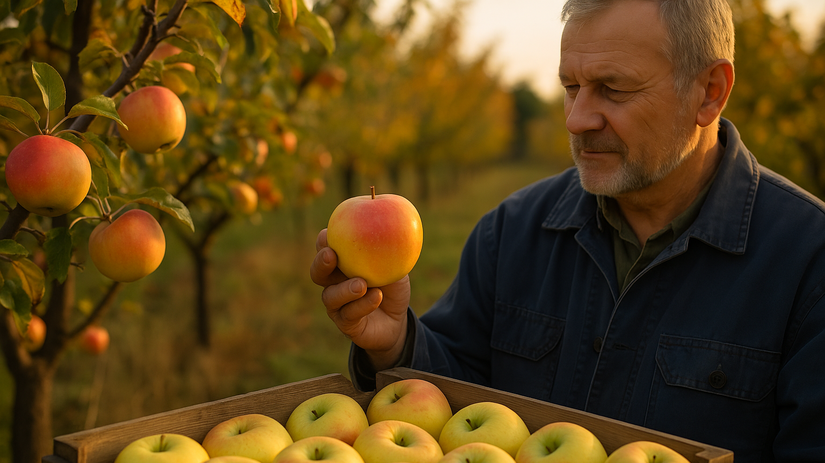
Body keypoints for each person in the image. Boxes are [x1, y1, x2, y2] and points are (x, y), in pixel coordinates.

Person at [310, 0, 825, 460]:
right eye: (571, 88)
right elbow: (455, 400)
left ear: (709, 92)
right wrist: (393, 342)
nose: (577, 119)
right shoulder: (512, 231)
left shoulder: (808, 261)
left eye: (612, 89)